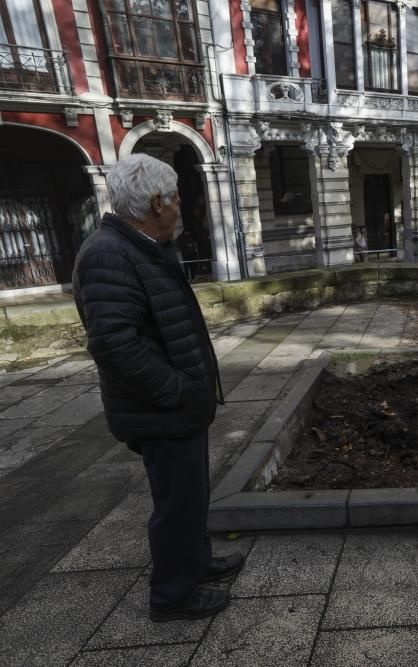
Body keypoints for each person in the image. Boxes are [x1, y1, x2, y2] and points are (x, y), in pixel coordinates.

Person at [72, 155, 243, 623]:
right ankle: (172, 596)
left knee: (190, 497)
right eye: (176, 200)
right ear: (155, 203)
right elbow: (113, 344)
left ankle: (196, 562)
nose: (180, 208)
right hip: (162, 409)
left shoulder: (140, 245)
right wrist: (178, 391)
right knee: (175, 503)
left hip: (177, 407)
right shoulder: (110, 252)